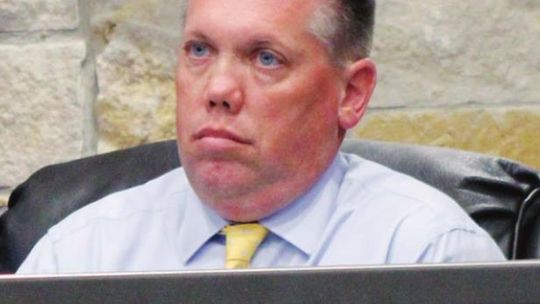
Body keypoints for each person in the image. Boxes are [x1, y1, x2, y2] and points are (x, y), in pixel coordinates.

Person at [17, 0, 504, 274]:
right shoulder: (79, 255)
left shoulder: (428, 255)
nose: (218, 90)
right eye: (200, 50)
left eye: (265, 58)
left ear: (351, 94)